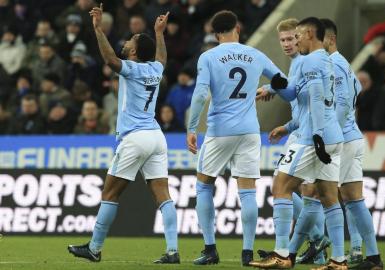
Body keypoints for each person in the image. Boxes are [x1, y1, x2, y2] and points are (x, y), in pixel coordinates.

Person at [68, 5, 180, 264]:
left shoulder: (133, 68)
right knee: (163, 195)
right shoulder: (155, 69)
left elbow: (109, 61)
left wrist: (98, 30)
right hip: (156, 137)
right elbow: (162, 58)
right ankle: (173, 251)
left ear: (134, 51)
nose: (127, 40)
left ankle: (94, 248)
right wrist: (160, 34)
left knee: (110, 194)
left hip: (135, 138)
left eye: (131, 40)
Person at [186, 10, 288, 267]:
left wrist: (191, 127)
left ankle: (210, 249)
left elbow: (199, 95)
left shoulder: (208, 56)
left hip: (220, 131)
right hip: (250, 131)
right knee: (247, 193)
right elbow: (282, 81)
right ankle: (247, 253)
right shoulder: (255, 54)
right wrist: (269, 89)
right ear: (238, 28)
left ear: (215, 33)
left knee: (203, 186)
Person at [250, 17, 345, 269]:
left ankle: (282, 255)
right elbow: (294, 92)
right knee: (327, 197)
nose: (295, 40)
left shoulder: (310, 60)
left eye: (297, 36)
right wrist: (276, 86)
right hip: (333, 135)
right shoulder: (321, 58)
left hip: (313, 135)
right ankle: (339, 260)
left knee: (280, 186)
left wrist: (316, 136)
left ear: (309, 34)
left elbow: (314, 97)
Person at [321, 18, 384, 270]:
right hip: (351, 136)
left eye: (317, 37)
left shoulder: (334, 64)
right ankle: (371, 256)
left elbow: (346, 101)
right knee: (352, 199)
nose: (313, 41)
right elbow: (355, 89)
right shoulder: (344, 65)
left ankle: (307, 248)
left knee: (317, 192)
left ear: (331, 39)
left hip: (343, 139)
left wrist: (328, 132)